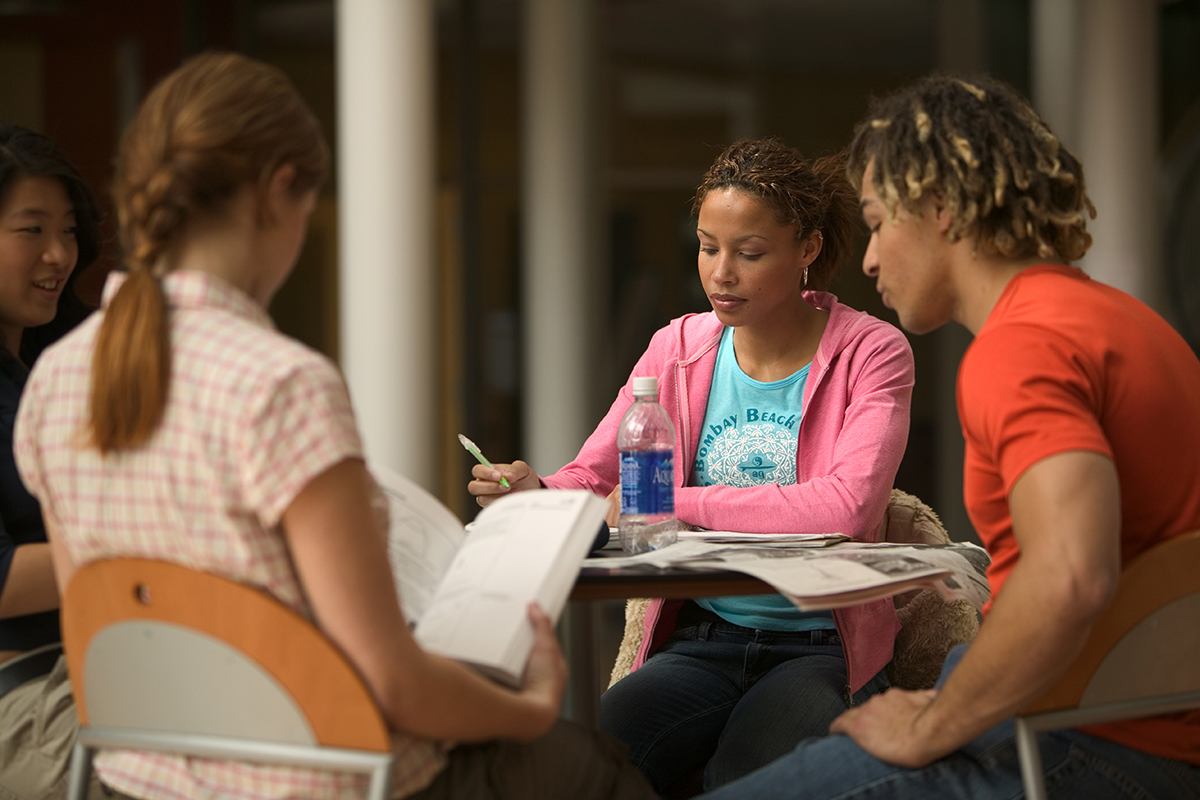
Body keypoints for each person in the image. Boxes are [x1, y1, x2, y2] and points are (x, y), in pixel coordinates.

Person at [13, 52, 656, 800]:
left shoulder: (59, 377)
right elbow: (393, 685)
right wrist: (531, 704)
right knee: (594, 764)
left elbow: (96, 613)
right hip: (327, 777)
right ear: (282, 190)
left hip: (135, 777)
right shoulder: (281, 385)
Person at [697, 74, 1200, 799]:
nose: (868, 260)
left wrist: (932, 726)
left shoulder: (1021, 347)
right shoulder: (1127, 322)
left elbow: (1069, 578)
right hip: (1145, 722)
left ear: (938, 209)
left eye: (875, 222)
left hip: (1087, 743)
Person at [469, 138, 914, 792]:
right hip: (704, 639)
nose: (721, 273)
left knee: (747, 776)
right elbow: (595, 475)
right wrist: (532, 489)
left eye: (749, 253)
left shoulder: (872, 353)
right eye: (708, 247)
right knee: (584, 769)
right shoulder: (675, 347)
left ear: (808, 250)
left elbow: (846, 507)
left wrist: (675, 503)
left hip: (823, 647)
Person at [0, 122, 101, 800]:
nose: (59, 253)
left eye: (67, 230)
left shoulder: (57, 369)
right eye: (31, 230)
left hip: (91, 673)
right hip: (25, 701)